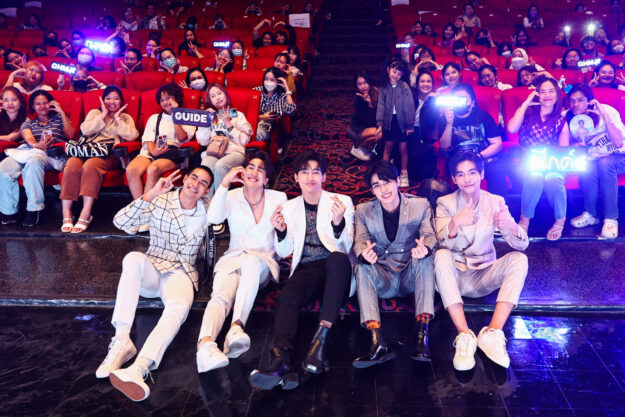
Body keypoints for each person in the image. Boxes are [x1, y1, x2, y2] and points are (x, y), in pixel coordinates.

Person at [96, 166, 213, 401]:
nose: (196, 184)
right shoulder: (161, 200)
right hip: (154, 265)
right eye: (194, 178)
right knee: (132, 258)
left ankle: (140, 366)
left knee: (178, 309)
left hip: (182, 272)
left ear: (207, 190)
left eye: (203, 183)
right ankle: (121, 340)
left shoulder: (209, 208)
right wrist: (151, 194)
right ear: (185, 179)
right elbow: (120, 222)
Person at [249, 151, 354, 389]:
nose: (310, 177)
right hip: (308, 266)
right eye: (304, 172)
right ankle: (280, 360)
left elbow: (346, 247)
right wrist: (281, 231)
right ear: (296, 177)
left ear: (324, 177)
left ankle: (319, 347)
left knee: (337, 258)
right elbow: (284, 250)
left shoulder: (342, 202)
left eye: (316, 172)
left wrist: (338, 223)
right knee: (288, 296)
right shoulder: (289, 207)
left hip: (337, 267)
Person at [433, 151, 528, 371]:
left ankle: (492, 332)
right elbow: (440, 242)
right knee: (441, 255)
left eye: (472, 173)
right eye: (461, 174)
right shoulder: (445, 203)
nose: (467, 179)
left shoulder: (495, 201)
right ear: (454, 179)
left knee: (519, 259)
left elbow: (521, 245)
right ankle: (464, 335)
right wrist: (455, 224)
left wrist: (510, 226)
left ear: (481, 174)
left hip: (484, 273)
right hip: (455, 275)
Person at [196, 153, 287, 372]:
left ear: (267, 179)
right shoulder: (231, 195)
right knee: (220, 296)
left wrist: (281, 230)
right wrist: (224, 184)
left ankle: (236, 327)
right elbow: (213, 219)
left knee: (252, 262)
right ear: (243, 173)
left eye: (260, 169)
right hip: (233, 258)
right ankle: (205, 346)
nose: (254, 172)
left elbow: (284, 247)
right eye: (250, 167)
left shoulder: (279, 198)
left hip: (263, 263)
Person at [352, 161, 436, 367]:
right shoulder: (363, 210)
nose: (384, 189)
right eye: (377, 185)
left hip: (410, 275)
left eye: (387, 182)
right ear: (372, 190)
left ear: (397, 181)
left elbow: (429, 235)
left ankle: (421, 335)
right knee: (361, 266)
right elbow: (360, 240)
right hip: (383, 277)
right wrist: (364, 253)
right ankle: (377, 341)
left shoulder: (420, 205)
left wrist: (425, 248)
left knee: (425, 260)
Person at [60, 86, 139, 233]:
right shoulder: (95, 113)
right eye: (108, 98)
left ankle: (85, 213)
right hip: (86, 150)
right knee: (71, 165)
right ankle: (67, 213)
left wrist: (118, 119)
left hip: (109, 154)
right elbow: (85, 130)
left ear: (121, 101)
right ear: (103, 100)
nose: (111, 102)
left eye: (116, 98)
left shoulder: (125, 117)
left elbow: (132, 136)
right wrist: (103, 115)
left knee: (91, 166)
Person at [507, 77, 569, 240]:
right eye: (543, 92)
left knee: (553, 178)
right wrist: (526, 102)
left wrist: (552, 165)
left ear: (557, 95)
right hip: (528, 163)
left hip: (552, 164)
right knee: (535, 176)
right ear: (537, 95)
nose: (547, 95)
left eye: (551, 91)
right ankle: (524, 220)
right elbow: (512, 128)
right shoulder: (527, 113)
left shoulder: (561, 121)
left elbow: (563, 153)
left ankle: (560, 220)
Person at [0, 89, 74, 227]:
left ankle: (34, 208)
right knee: (3, 168)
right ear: (33, 107)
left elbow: (70, 135)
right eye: (38, 104)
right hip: (29, 151)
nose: (42, 106)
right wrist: (36, 145)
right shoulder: (29, 123)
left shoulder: (60, 119)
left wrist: (61, 112)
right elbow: (27, 136)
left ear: (51, 104)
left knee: (34, 160)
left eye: (45, 102)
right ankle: (8, 211)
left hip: (51, 155)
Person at [566, 83, 625, 239]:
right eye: (572, 100)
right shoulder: (569, 118)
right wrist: (575, 145)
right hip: (595, 158)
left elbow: (619, 142)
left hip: (620, 155)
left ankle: (611, 219)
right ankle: (590, 214)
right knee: (588, 166)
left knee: (606, 163)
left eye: (580, 100)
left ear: (589, 100)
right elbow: (566, 145)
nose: (575, 104)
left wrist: (604, 116)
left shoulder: (606, 110)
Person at [126, 84, 195, 203]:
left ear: (176, 98)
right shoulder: (154, 118)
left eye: (168, 98)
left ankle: (145, 207)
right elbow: (148, 139)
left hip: (171, 154)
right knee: (131, 169)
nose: (165, 102)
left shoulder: (187, 116)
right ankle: (140, 207)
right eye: (162, 100)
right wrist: (154, 151)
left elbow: (182, 137)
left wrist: (175, 113)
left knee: (153, 168)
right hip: (152, 151)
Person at [439, 83, 508, 198]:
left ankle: (499, 206)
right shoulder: (446, 118)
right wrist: (449, 123)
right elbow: (444, 146)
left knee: (496, 170)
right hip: (460, 159)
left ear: (472, 102)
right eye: (456, 99)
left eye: (463, 99)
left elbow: (497, 144)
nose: (460, 103)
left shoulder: (483, 117)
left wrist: (479, 156)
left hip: (483, 157)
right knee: (461, 172)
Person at [197, 84, 254, 203]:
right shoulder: (211, 117)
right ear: (210, 101)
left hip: (235, 153)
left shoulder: (238, 115)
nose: (217, 98)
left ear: (225, 95)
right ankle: (207, 203)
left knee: (220, 166)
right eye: (213, 96)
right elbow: (202, 141)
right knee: (206, 165)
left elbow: (244, 141)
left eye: (219, 93)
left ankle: (220, 203)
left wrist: (229, 124)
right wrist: (205, 121)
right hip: (215, 152)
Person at [376, 59, 415, 188]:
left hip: (402, 123)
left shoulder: (404, 87)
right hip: (389, 122)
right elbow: (380, 107)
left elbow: (409, 106)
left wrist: (410, 125)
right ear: (388, 70)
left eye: (399, 74)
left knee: (403, 148)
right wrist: (380, 125)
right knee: (388, 146)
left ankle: (404, 173)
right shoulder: (384, 87)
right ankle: (383, 172)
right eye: (394, 72)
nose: (396, 75)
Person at [253, 67, 296, 142]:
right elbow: (245, 111)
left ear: (278, 81)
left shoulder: (282, 96)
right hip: (253, 122)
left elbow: (291, 111)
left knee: (255, 134)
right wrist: (261, 117)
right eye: (266, 79)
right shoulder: (256, 91)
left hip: (268, 128)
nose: (268, 82)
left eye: (272, 80)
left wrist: (287, 89)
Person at [348, 71, 378, 161]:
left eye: (365, 83)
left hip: (367, 128)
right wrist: (369, 104)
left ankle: (361, 147)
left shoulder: (374, 92)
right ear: (356, 86)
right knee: (380, 133)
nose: (363, 86)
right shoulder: (358, 98)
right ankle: (356, 148)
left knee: (379, 134)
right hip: (357, 130)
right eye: (359, 84)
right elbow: (369, 121)